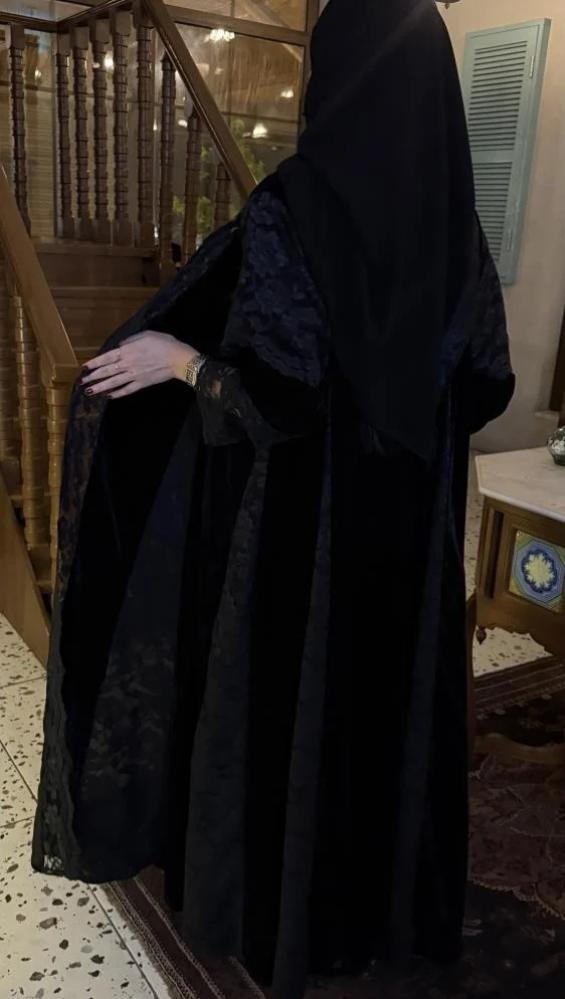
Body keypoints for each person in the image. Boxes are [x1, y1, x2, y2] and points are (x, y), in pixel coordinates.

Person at [32, 1, 515, 997]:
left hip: (309, 539)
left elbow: (275, 397)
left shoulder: (295, 208)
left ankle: (300, 918)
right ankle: (388, 910)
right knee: (391, 711)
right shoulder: (455, 224)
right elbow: (485, 383)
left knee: (302, 713)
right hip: (412, 539)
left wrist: (179, 362)